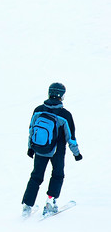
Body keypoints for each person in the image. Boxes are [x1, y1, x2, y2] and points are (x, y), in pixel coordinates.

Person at [22, 83, 83, 217]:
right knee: (57, 175)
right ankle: (50, 203)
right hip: (57, 151)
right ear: (62, 96)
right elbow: (70, 137)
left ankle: (27, 206)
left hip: (39, 149)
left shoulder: (38, 110)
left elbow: (31, 131)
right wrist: (76, 154)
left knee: (36, 176)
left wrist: (30, 148)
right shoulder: (65, 115)